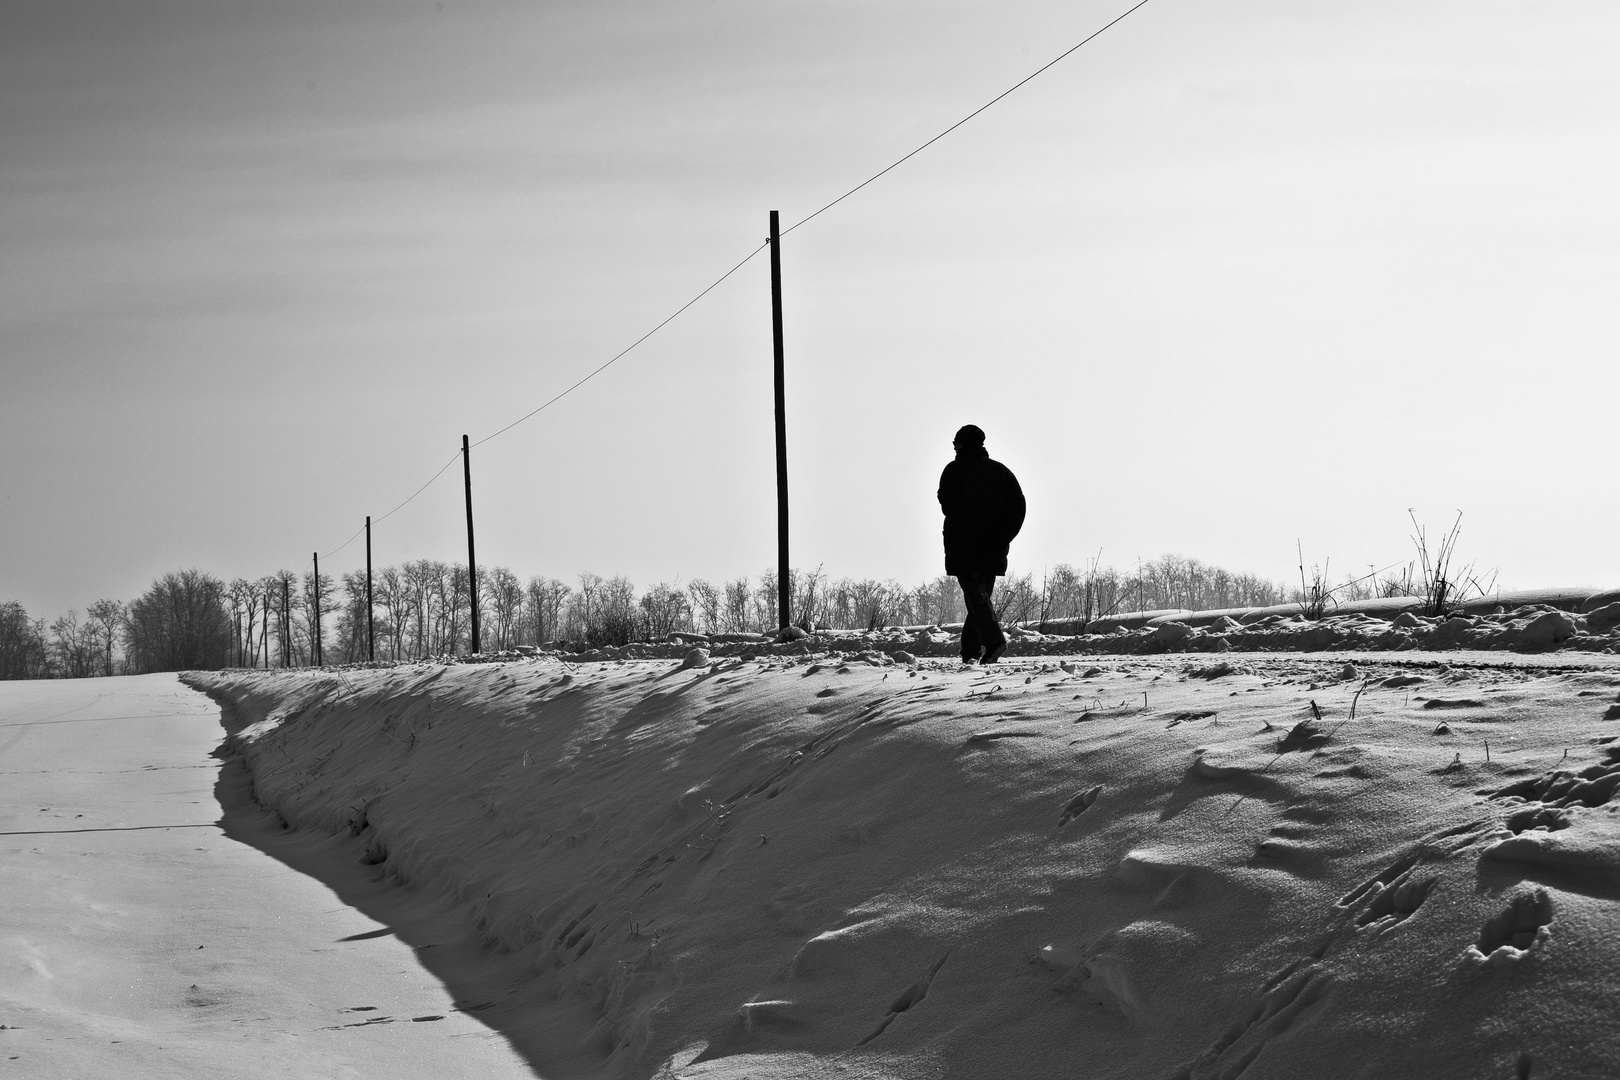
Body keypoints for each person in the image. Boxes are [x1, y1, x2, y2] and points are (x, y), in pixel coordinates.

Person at [937, 424, 1025, 664]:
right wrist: (1001, 537)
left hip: (964, 548)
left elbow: (949, 506)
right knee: (978, 599)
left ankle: (994, 642)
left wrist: (970, 535)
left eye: (956, 441)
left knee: (976, 598)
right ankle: (970, 652)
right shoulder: (1001, 472)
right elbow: (1018, 509)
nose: (953, 445)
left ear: (964, 444)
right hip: (993, 549)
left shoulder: (953, 471)